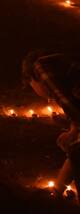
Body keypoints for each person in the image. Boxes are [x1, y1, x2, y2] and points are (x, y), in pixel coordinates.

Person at [22, 51, 80, 192]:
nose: (47, 99)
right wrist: (74, 131)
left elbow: (68, 103)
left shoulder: (40, 68)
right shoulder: (66, 73)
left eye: (32, 88)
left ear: (32, 79)